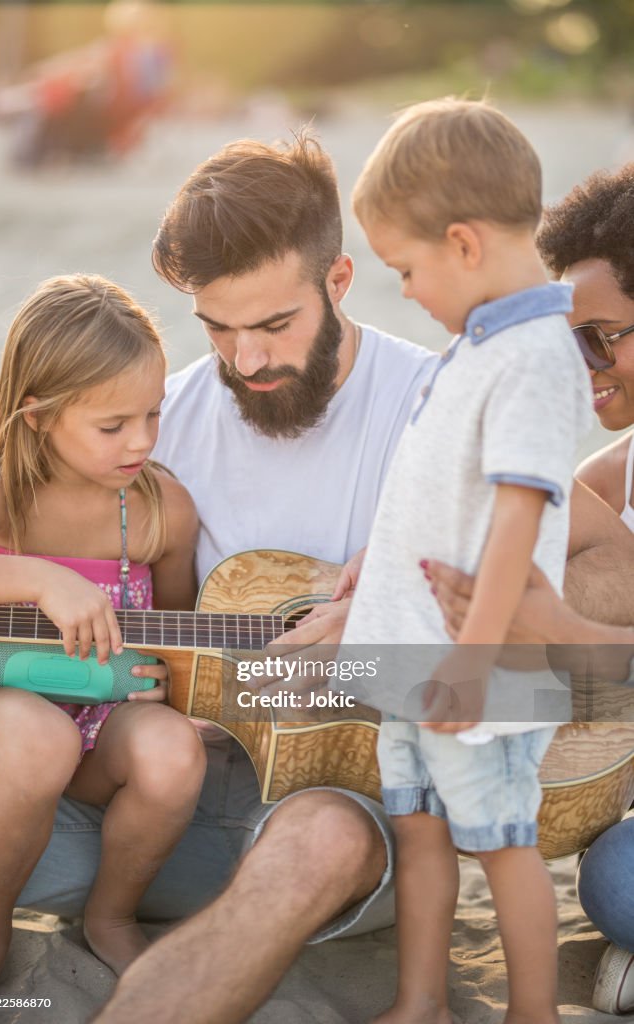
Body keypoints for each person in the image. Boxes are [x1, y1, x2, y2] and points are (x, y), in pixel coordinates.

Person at [0, 133, 633, 1024]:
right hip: (143, 800)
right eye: (218, 327)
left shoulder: (431, 405)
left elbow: (615, 565)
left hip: (336, 805)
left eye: (272, 325)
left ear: (337, 281)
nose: (245, 360)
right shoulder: (150, 423)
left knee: (316, 837)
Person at [339, 98, 593, 1024]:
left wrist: (476, 659)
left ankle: (530, 1013)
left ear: (462, 243)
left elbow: (521, 511)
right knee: (417, 827)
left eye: (405, 268)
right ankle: (420, 1002)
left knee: (501, 840)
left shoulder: (529, 354)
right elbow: (448, 492)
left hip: (471, 664)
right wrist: (383, 553)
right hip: (416, 654)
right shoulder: (477, 344)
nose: (402, 289)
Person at [425, 162, 634, 1016]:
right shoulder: (607, 483)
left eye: (602, 336)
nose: (579, 365)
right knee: (615, 879)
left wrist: (557, 623)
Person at [0, 274, 204, 1014]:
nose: (140, 441)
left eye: (153, 415)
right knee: (41, 740)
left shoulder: (160, 508)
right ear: (38, 417)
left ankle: (110, 915)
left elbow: (179, 634)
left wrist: (175, 686)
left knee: (173, 753)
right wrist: (38, 578)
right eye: (112, 425)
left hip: (102, 719)